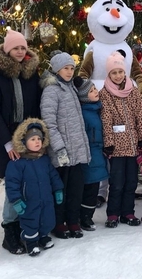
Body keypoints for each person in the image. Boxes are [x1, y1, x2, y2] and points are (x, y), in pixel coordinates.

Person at [0, 30, 41, 254]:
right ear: (7, 50)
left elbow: (37, 104)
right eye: (16, 48)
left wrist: (37, 133)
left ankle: (24, 228)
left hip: (30, 136)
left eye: (23, 48)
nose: (20, 51)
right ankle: (9, 229)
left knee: (30, 183)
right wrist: (7, 143)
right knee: (14, 186)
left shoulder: (31, 72)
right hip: (8, 138)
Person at [40, 51, 91, 239]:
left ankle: (73, 221)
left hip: (77, 151)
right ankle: (58, 222)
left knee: (76, 189)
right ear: (56, 70)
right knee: (61, 190)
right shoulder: (52, 90)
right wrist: (59, 148)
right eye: (65, 69)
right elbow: (49, 122)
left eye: (71, 68)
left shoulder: (70, 88)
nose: (69, 72)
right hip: (62, 153)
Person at [100, 51, 142, 228]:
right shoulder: (105, 93)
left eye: (120, 71)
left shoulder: (132, 91)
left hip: (133, 145)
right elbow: (106, 119)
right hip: (117, 147)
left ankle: (128, 212)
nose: (118, 76)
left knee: (131, 181)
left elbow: (139, 116)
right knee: (117, 182)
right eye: (114, 73)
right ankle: (112, 213)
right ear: (109, 74)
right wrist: (109, 143)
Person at [5, 118, 64, 256]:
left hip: (46, 198)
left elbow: (53, 176)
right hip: (29, 200)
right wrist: (16, 200)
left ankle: (43, 237)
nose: (37, 141)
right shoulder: (17, 163)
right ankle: (31, 243)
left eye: (39, 138)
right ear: (23, 141)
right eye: (32, 139)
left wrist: (58, 190)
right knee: (30, 221)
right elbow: (11, 184)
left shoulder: (44, 159)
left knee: (47, 218)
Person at [72, 76, 109, 231]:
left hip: (98, 154)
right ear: (84, 97)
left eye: (95, 89)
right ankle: (84, 217)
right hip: (89, 155)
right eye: (92, 91)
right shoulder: (84, 114)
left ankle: (87, 216)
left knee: (93, 187)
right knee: (89, 188)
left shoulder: (96, 109)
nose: (96, 92)